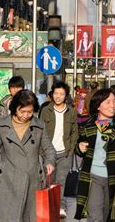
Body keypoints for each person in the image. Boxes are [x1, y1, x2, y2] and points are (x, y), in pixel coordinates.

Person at [0, 89, 56, 221]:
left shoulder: (39, 126)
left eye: (30, 111)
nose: (26, 115)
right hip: (8, 181)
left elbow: (49, 149)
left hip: (32, 181)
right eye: (22, 111)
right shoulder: (3, 126)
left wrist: (49, 161)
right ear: (15, 108)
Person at [74, 89, 115, 221]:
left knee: (109, 216)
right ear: (98, 105)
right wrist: (80, 148)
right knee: (94, 215)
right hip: (93, 177)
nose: (113, 105)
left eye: (114, 102)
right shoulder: (88, 125)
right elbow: (79, 148)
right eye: (108, 102)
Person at [38, 82, 78, 219]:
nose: (58, 96)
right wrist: (42, 151)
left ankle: (61, 206)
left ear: (66, 96)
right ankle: (49, 205)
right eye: (56, 93)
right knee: (49, 180)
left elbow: (74, 132)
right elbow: (40, 131)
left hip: (65, 153)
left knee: (61, 181)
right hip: (48, 153)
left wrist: (71, 150)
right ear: (52, 94)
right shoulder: (45, 110)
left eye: (61, 94)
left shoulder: (71, 111)